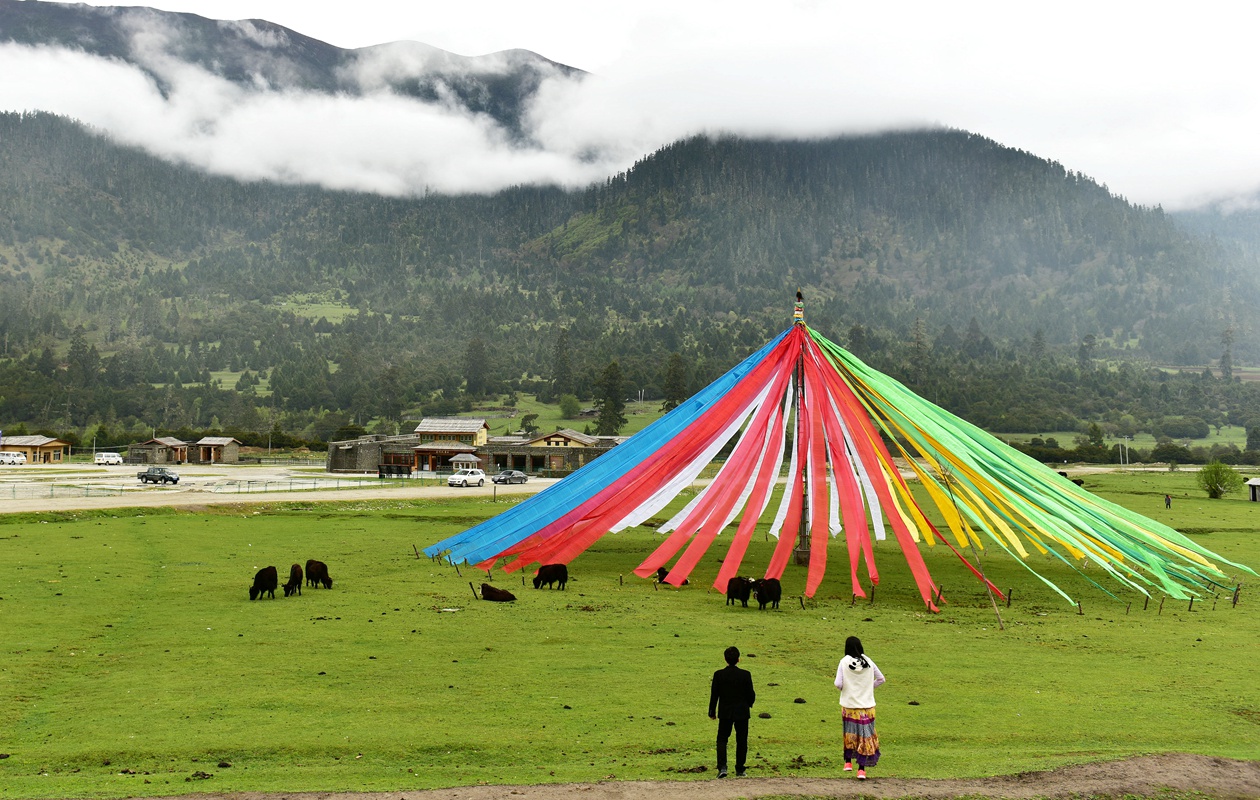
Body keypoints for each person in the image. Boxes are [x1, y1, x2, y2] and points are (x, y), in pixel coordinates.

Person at [834, 636, 884, 780]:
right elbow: (881, 679)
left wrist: (847, 690)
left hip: (849, 706)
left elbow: (838, 683)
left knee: (850, 734)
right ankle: (861, 770)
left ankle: (848, 762)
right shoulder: (868, 661)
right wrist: (868, 688)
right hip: (867, 707)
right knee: (865, 737)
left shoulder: (844, 662)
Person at [709, 645, 755, 778]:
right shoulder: (745, 675)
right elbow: (751, 694)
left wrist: (712, 711)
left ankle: (722, 767)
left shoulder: (719, 675)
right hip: (742, 712)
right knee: (742, 740)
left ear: (725, 659)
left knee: (722, 739)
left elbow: (714, 695)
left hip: (725, 712)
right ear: (738, 659)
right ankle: (740, 769)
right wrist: (749, 704)